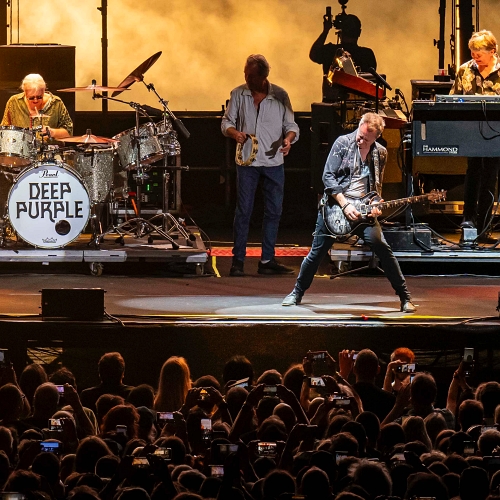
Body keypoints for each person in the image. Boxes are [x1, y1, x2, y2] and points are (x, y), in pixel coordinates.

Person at [282, 112, 416, 312]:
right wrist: (345, 205)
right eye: (360, 135)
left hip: (363, 210)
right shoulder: (342, 143)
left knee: (383, 248)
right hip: (336, 207)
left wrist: (377, 203)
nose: (360, 140)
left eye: (366, 139)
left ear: (377, 137)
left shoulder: (380, 153)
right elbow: (327, 177)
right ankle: (297, 292)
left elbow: (376, 187)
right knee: (316, 253)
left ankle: (405, 297)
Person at [221, 54, 300, 276]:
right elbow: (226, 122)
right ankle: (238, 261)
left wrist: (288, 139)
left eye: (251, 75)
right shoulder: (239, 94)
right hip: (247, 162)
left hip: (273, 162)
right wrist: (235, 133)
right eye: (245, 73)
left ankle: (267, 260)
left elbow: (291, 125)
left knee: (273, 211)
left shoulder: (280, 95)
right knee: (244, 211)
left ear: (263, 76)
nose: (246, 78)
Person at [450, 30, 500, 244]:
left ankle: (485, 228)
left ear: (493, 51)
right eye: (472, 52)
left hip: (496, 135)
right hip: (472, 133)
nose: (475, 57)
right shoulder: (465, 71)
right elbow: (453, 100)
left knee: (490, 178)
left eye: (479, 52)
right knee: (473, 176)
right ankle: (468, 225)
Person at [309, 13, 377, 102]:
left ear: (340, 32)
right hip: (360, 107)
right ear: (359, 33)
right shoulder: (367, 54)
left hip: (332, 107)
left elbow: (313, 54)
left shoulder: (330, 51)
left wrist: (325, 30)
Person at [1, 73, 73, 139]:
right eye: (31, 98)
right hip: (22, 151)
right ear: (25, 92)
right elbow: (3, 130)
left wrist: (52, 132)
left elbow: (69, 132)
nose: (35, 100)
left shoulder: (56, 103)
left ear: (44, 90)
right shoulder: (14, 102)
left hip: (50, 151)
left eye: (39, 97)